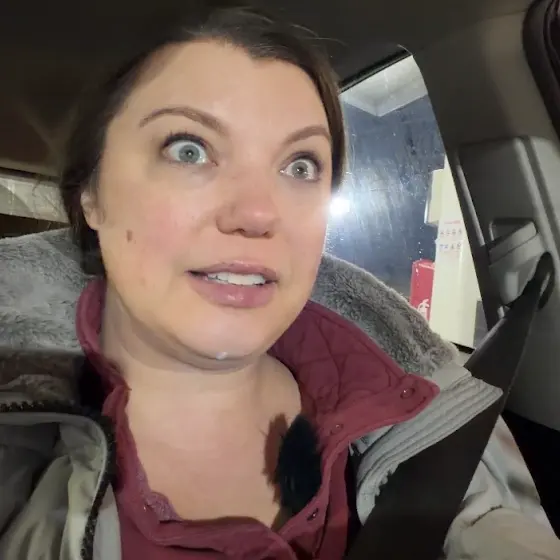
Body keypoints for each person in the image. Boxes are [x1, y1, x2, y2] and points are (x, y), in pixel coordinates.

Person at [0, 4, 559, 560]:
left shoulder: (432, 421)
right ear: (91, 196)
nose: (257, 213)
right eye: (189, 150)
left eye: (300, 166)